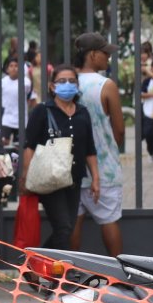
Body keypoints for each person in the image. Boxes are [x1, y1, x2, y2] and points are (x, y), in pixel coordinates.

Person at [20, 65, 99, 250]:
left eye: (72, 81)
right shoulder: (42, 110)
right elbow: (29, 146)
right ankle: (58, 273)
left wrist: (96, 178)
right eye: (62, 81)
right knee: (63, 228)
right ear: (52, 86)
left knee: (66, 230)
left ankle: (36, 262)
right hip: (49, 179)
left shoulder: (82, 112)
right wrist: (26, 176)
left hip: (74, 178)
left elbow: (90, 148)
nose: (68, 85)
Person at [71, 33, 125, 256]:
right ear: (92, 55)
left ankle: (69, 272)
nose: (108, 58)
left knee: (74, 221)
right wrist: (113, 145)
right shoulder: (106, 85)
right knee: (109, 220)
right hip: (104, 168)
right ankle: (119, 274)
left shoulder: (67, 82)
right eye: (105, 53)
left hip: (72, 166)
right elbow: (120, 129)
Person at [0, 55, 38, 147]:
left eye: (16, 66)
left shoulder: (26, 82)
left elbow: (32, 99)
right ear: (7, 69)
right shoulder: (2, 82)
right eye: (11, 66)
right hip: (6, 119)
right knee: (4, 143)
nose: (14, 68)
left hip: (21, 119)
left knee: (20, 146)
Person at [140, 52, 153, 162]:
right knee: (148, 135)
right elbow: (141, 93)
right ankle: (150, 151)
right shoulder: (147, 81)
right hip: (148, 113)